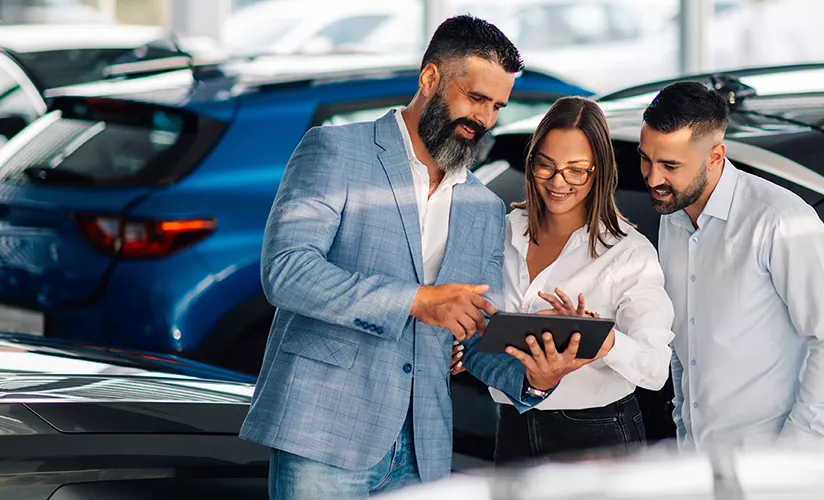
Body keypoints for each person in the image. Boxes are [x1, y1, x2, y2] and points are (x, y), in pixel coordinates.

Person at [241, 16, 593, 499]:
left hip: (424, 448)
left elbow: (473, 333)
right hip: (324, 432)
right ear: (430, 78)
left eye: (497, 106)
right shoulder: (335, 150)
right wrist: (417, 301)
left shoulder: (485, 207)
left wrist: (535, 375)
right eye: (475, 98)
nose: (486, 119)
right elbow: (287, 271)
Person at [637, 81, 824, 449]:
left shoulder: (780, 220)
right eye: (646, 158)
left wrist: (793, 459)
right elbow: (684, 344)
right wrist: (683, 431)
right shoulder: (672, 217)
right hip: (698, 462)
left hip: (771, 466)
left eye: (670, 165)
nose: (653, 178)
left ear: (715, 156)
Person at [453, 96, 674, 464]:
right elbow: (473, 322)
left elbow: (654, 369)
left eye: (575, 170)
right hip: (511, 428)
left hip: (598, 434)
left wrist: (602, 340)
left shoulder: (629, 254)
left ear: (598, 171)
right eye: (546, 166)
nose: (558, 182)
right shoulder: (501, 233)